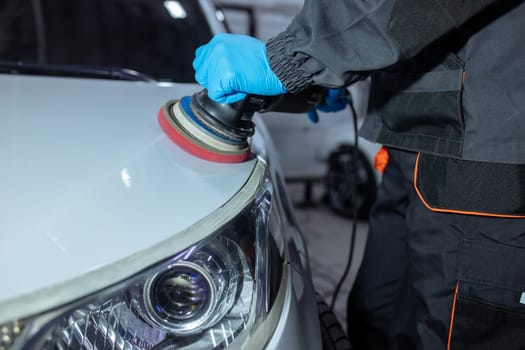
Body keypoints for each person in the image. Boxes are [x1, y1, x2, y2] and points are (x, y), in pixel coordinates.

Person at [193, 0, 525, 348]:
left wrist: (296, 56)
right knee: (376, 313)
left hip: (486, 157)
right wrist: (338, 67)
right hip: (413, 139)